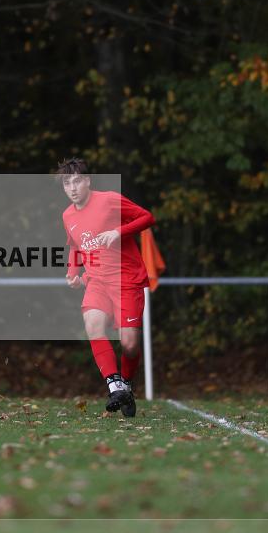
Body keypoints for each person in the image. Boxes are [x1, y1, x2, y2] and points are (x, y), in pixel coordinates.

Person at [59, 158, 154, 417]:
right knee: (93, 325)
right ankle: (114, 386)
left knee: (130, 344)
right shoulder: (68, 215)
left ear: (88, 181)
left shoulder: (109, 199)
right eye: (67, 183)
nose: (73, 187)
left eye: (77, 180)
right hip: (97, 281)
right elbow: (75, 246)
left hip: (126, 280)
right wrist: (72, 273)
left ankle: (126, 385)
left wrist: (118, 232)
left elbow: (147, 217)